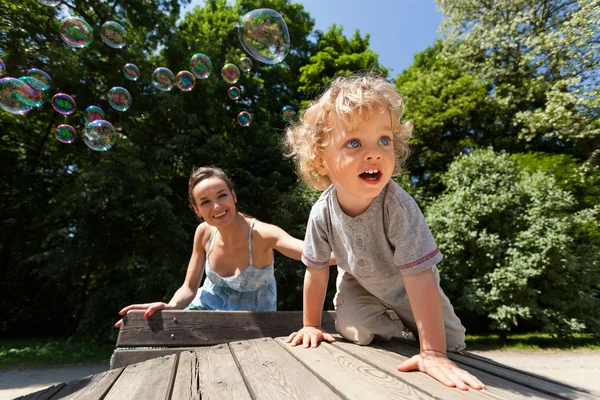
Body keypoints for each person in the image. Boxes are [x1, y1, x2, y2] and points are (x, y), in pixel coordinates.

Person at [283, 73, 485, 391]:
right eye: (354, 142)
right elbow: (316, 270)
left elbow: (419, 276)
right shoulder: (321, 212)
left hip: (410, 287)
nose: (374, 152)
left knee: (452, 342)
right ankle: (399, 327)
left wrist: (433, 353)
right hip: (359, 285)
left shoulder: (397, 206)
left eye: (384, 140)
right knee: (353, 330)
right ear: (321, 160)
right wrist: (311, 324)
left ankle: (418, 332)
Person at [115, 166, 330, 327]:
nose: (216, 207)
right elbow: (189, 288)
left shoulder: (262, 234)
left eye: (222, 196)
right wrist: (171, 307)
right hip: (204, 313)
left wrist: (356, 251)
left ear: (233, 196)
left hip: (253, 326)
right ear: (197, 210)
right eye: (205, 202)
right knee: (144, 341)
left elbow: (316, 254)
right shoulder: (203, 233)